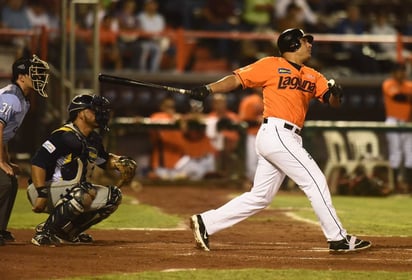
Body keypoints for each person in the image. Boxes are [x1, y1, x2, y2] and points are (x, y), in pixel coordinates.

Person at [187, 28, 372, 253]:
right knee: (315, 181)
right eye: (306, 41)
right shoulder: (270, 64)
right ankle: (338, 238)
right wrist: (208, 89)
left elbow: (332, 102)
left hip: (288, 137)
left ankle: (206, 222)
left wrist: (336, 94)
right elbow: (236, 79)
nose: (310, 44)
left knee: (260, 197)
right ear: (293, 44)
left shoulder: (314, 75)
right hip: (277, 133)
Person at [27, 94, 137, 246]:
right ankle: (46, 232)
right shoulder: (64, 136)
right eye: (94, 110)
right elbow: (38, 162)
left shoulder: (93, 139)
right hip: (45, 188)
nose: (100, 113)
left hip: (73, 190)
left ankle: (67, 233)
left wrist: (121, 162)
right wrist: (41, 193)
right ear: (80, 113)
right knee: (83, 192)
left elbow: (104, 161)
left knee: (113, 196)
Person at [0, 54, 49, 246]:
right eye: (34, 73)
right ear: (21, 77)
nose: (39, 77)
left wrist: (7, 159)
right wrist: (1, 162)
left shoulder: (23, 99)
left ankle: (0, 230)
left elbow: (4, 136)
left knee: (10, 180)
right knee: (3, 182)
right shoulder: (12, 97)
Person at [382, 63, 412, 193]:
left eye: (403, 71)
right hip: (393, 120)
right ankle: (395, 186)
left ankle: (409, 185)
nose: (401, 74)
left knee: (409, 152)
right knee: (396, 152)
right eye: (399, 71)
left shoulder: (409, 86)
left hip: (407, 122)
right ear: (393, 73)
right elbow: (398, 97)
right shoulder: (389, 84)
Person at [238, 91, 264, 183]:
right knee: (252, 163)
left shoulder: (273, 98)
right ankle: (253, 184)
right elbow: (243, 122)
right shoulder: (250, 101)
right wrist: (258, 121)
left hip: (269, 136)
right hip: (253, 135)